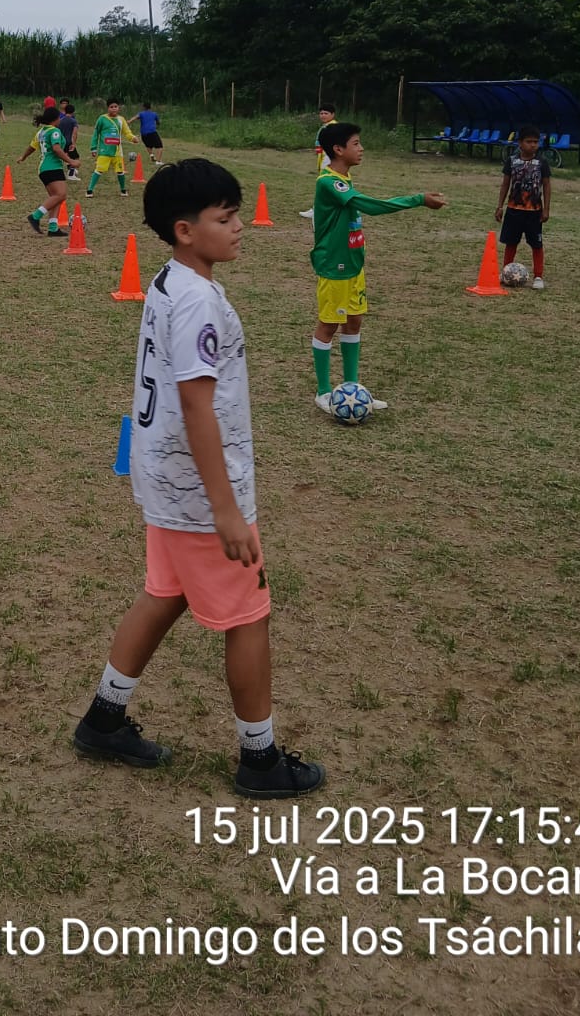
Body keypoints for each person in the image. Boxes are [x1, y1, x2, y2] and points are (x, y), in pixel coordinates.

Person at [73, 159, 325, 797]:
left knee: (165, 593)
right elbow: (196, 405)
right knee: (249, 616)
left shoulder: (169, 281)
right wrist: (226, 510)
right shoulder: (198, 302)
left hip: (165, 480)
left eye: (238, 214)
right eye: (226, 217)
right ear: (185, 230)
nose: (240, 227)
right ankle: (260, 760)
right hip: (198, 493)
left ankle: (104, 718)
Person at [310, 121, 446, 412]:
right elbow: (371, 206)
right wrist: (417, 199)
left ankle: (352, 388)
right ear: (338, 149)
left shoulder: (344, 178)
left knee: (354, 321)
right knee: (329, 324)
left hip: (353, 265)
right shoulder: (328, 182)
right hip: (334, 265)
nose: (361, 148)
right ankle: (323, 392)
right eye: (356, 143)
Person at [495, 125, 551, 291]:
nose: (533, 145)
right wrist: (500, 206)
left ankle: (538, 276)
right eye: (529, 141)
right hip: (514, 210)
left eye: (536, 142)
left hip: (534, 211)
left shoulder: (542, 163)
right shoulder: (512, 161)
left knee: (536, 244)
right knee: (511, 242)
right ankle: (506, 272)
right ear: (520, 143)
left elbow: (547, 186)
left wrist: (546, 209)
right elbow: (505, 184)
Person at [18, 105, 74, 236]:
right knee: (61, 195)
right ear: (56, 119)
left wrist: (23, 157)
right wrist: (71, 161)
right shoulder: (54, 131)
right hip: (52, 167)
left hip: (43, 168)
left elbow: (32, 147)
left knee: (55, 198)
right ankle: (35, 216)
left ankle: (53, 228)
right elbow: (56, 149)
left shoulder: (41, 132)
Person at [86, 99, 137, 197]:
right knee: (99, 169)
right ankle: (90, 190)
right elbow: (96, 133)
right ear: (108, 108)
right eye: (111, 107)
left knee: (120, 171)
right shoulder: (102, 119)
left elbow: (127, 132)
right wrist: (93, 148)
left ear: (118, 108)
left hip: (117, 152)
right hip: (104, 151)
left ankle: (123, 190)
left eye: (115, 107)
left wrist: (132, 138)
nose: (114, 109)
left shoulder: (121, 119)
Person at [299, 106, 335, 218]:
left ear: (332, 114)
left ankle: (317, 210)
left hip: (329, 158)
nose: (323, 115)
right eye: (321, 113)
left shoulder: (332, 127)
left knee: (324, 184)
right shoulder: (326, 126)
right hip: (324, 157)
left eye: (326, 113)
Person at [58, 99, 81, 179]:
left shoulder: (60, 120)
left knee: (64, 157)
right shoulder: (73, 121)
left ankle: (65, 172)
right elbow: (74, 134)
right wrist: (73, 144)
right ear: (73, 112)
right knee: (75, 158)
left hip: (61, 142)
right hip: (69, 142)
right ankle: (71, 174)